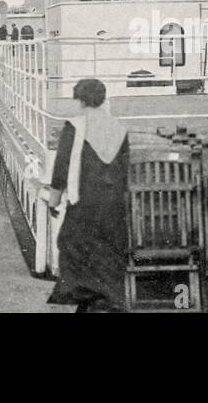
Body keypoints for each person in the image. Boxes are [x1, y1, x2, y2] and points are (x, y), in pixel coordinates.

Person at [45, 79, 129, 313]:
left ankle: (88, 302)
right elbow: (124, 170)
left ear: (81, 100)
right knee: (107, 255)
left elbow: (61, 167)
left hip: (83, 203)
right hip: (113, 205)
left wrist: (54, 199)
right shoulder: (118, 129)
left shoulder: (75, 127)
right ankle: (105, 301)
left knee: (74, 248)